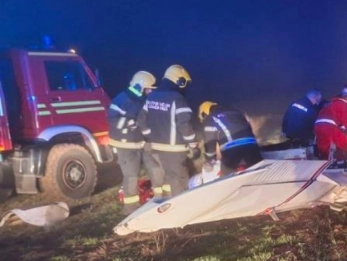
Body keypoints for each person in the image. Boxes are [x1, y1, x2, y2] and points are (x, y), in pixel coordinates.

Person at [137, 65, 199, 196]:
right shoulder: (177, 98)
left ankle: (171, 201)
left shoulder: (152, 97)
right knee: (180, 179)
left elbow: (141, 120)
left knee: (170, 177)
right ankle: (182, 204)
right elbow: (185, 125)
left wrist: (150, 137)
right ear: (179, 81)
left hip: (158, 147)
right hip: (175, 148)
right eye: (184, 83)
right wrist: (194, 145)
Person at [108, 71, 162, 213]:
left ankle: (161, 200)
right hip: (126, 145)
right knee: (131, 176)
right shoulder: (121, 99)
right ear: (139, 87)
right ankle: (131, 209)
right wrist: (129, 122)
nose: (150, 92)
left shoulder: (144, 100)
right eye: (148, 89)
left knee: (156, 170)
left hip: (143, 142)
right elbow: (112, 119)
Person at [199, 101, 263, 175]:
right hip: (252, 145)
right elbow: (248, 127)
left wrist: (210, 159)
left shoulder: (210, 118)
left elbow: (210, 142)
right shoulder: (235, 112)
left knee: (227, 176)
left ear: (204, 113)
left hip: (232, 149)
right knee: (259, 171)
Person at [314, 84, 347, 166]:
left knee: (325, 146)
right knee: (346, 142)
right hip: (329, 126)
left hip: (318, 125)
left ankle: (326, 163)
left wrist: (341, 127)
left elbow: (337, 118)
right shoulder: (344, 104)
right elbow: (346, 121)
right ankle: (341, 162)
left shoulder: (332, 102)